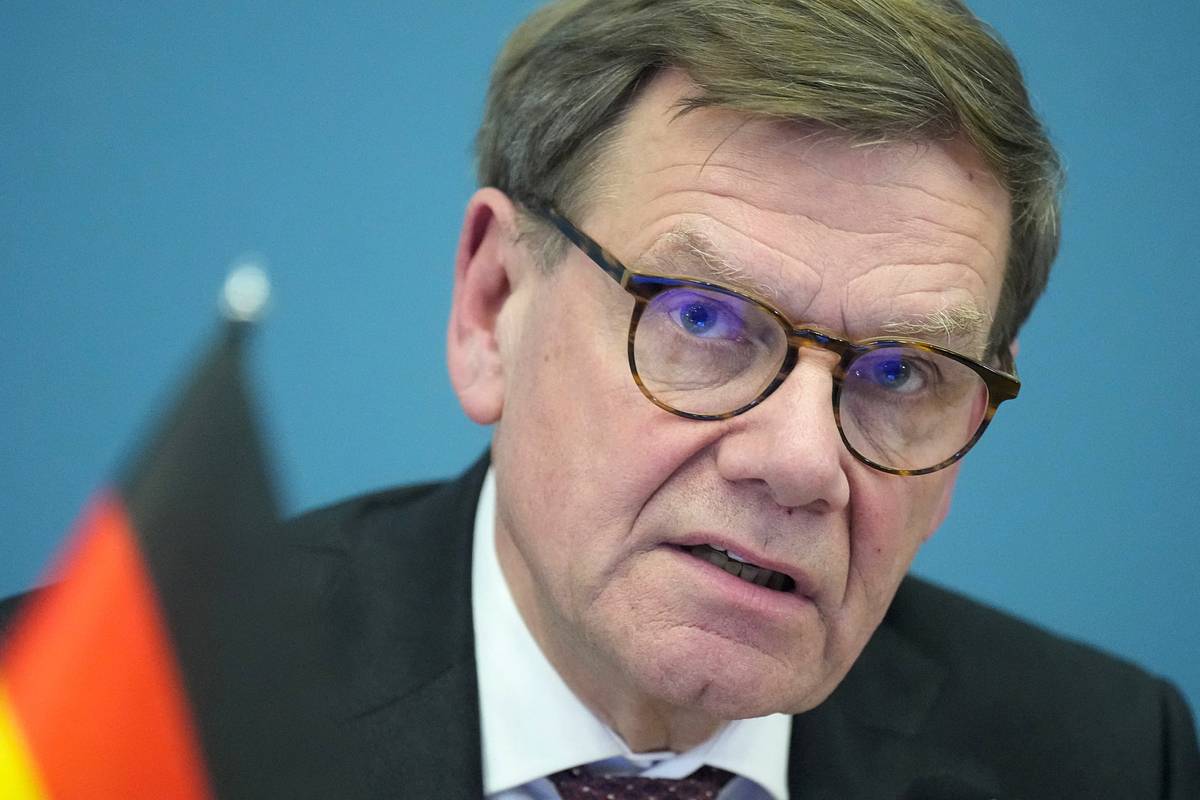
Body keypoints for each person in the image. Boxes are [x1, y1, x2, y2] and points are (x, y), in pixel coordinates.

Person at [2, 1, 1197, 798]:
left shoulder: (1105, 759)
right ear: (492, 305)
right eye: (703, 319)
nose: (798, 461)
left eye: (900, 374)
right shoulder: (98, 725)